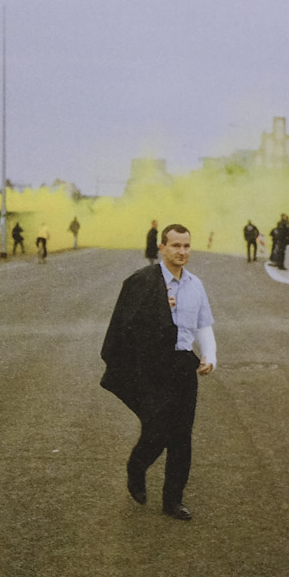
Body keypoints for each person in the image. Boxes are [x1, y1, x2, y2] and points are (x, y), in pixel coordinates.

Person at [101, 223, 214, 522]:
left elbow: (203, 324)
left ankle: (173, 500)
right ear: (162, 248)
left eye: (186, 246)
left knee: (182, 436)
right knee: (157, 428)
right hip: (151, 367)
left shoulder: (195, 285)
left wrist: (209, 354)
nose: (182, 252)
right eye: (176, 245)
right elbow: (125, 324)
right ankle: (137, 466)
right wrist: (158, 309)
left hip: (183, 365)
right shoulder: (143, 281)